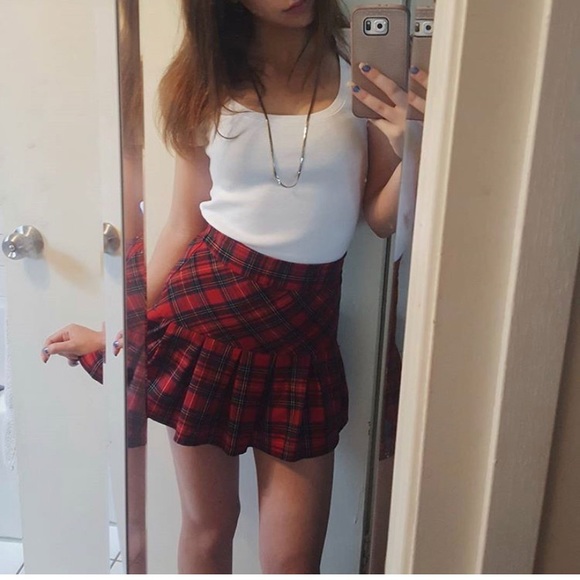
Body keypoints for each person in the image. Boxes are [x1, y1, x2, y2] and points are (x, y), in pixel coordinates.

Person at [42, 0, 429, 573]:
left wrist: (419, 148)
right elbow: (182, 225)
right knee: (208, 529)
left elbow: (377, 217)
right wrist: (112, 329)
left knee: (293, 563)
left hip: (303, 341)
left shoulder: (359, 69)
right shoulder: (201, 83)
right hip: (206, 324)